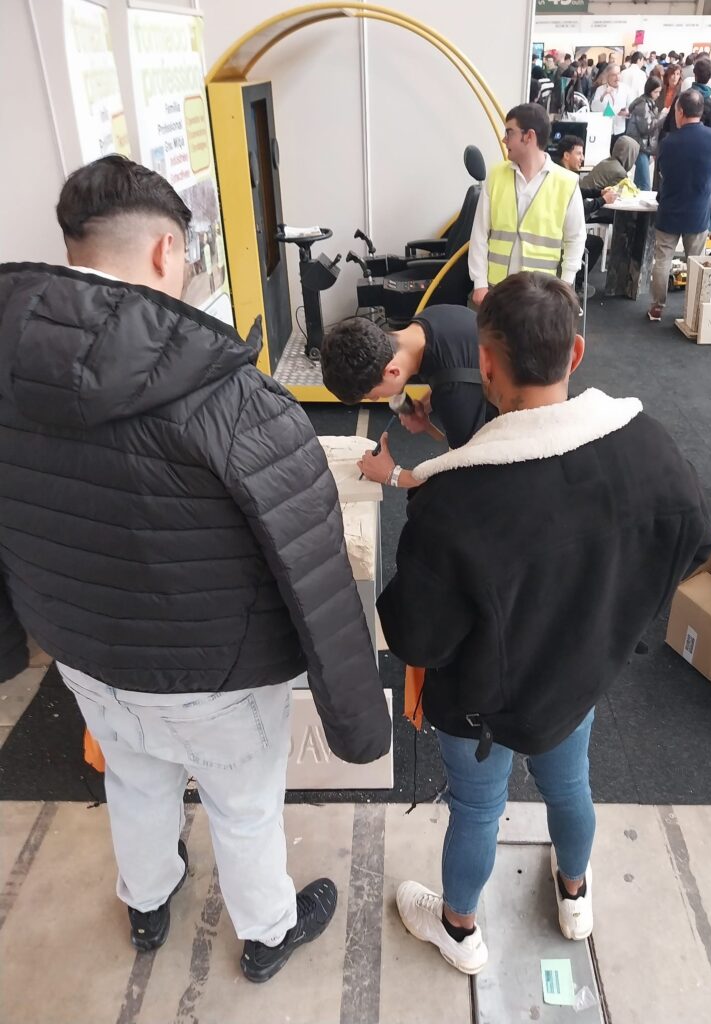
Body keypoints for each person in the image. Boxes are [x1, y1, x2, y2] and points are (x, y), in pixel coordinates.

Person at [0, 155, 392, 980]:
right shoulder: (233, 399)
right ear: (165, 250)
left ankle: (147, 902)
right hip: (214, 670)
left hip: (81, 650)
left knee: (134, 780)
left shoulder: (8, 368)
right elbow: (315, 568)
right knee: (242, 807)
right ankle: (267, 933)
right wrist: (357, 718)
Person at [377, 271, 711, 976]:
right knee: (570, 788)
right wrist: (616, 625)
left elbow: (414, 638)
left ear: (486, 363)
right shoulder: (649, 448)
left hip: (480, 709)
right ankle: (574, 896)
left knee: (477, 810)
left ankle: (460, 932)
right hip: (576, 682)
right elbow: (693, 541)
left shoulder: (453, 499)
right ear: (577, 352)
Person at [321, 307, 495, 490]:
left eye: (374, 395)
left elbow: (462, 477)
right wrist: (425, 406)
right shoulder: (431, 318)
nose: (376, 399)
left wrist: (391, 474)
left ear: (392, 372)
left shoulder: (455, 396)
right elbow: (461, 369)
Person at [468, 103, 586, 305]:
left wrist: (565, 285)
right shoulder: (496, 176)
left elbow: (575, 238)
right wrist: (479, 283)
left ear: (529, 136)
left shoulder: (566, 183)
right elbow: (479, 234)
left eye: (509, 132)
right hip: (497, 290)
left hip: (540, 296)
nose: (504, 139)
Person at [647, 90, 711, 322]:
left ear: (680, 111)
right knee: (696, 262)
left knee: (663, 259)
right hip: (698, 210)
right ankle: (693, 310)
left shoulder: (668, 142)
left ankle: (657, 307)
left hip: (669, 208)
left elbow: (662, 171)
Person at [554, 135, 617, 292]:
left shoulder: (559, 173)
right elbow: (582, 208)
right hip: (562, 237)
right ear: (566, 155)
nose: (582, 158)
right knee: (596, 243)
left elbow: (578, 192)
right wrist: (603, 200)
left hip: (559, 231)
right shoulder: (565, 177)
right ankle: (576, 286)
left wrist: (598, 192)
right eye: (579, 153)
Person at [626, 77, 667, 191]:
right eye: (656, 92)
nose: (658, 95)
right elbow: (646, 127)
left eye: (659, 92)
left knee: (639, 182)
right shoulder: (643, 105)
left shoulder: (646, 103)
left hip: (643, 146)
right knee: (645, 184)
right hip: (641, 146)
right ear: (650, 90)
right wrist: (662, 116)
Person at [663, 58, 711, 135]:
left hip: (678, 139)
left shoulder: (680, 97)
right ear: (710, 77)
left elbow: (667, 125)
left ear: (694, 74)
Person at [591, 63, 632, 147]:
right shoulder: (600, 89)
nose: (617, 78)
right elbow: (594, 107)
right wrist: (604, 95)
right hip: (604, 130)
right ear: (607, 76)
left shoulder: (626, 89)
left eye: (618, 74)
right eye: (614, 75)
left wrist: (627, 113)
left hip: (620, 130)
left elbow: (631, 108)